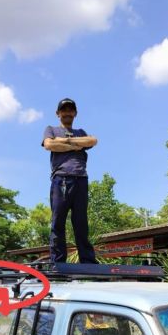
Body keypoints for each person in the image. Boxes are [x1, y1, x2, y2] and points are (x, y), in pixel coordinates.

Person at [42, 98, 99, 263]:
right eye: (64, 109)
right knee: (58, 221)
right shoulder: (51, 129)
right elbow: (49, 145)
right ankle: (58, 262)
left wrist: (64, 142)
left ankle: (87, 261)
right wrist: (74, 145)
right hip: (61, 179)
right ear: (58, 113)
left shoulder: (80, 131)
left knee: (81, 221)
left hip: (81, 178)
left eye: (70, 109)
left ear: (75, 113)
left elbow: (93, 141)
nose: (67, 112)